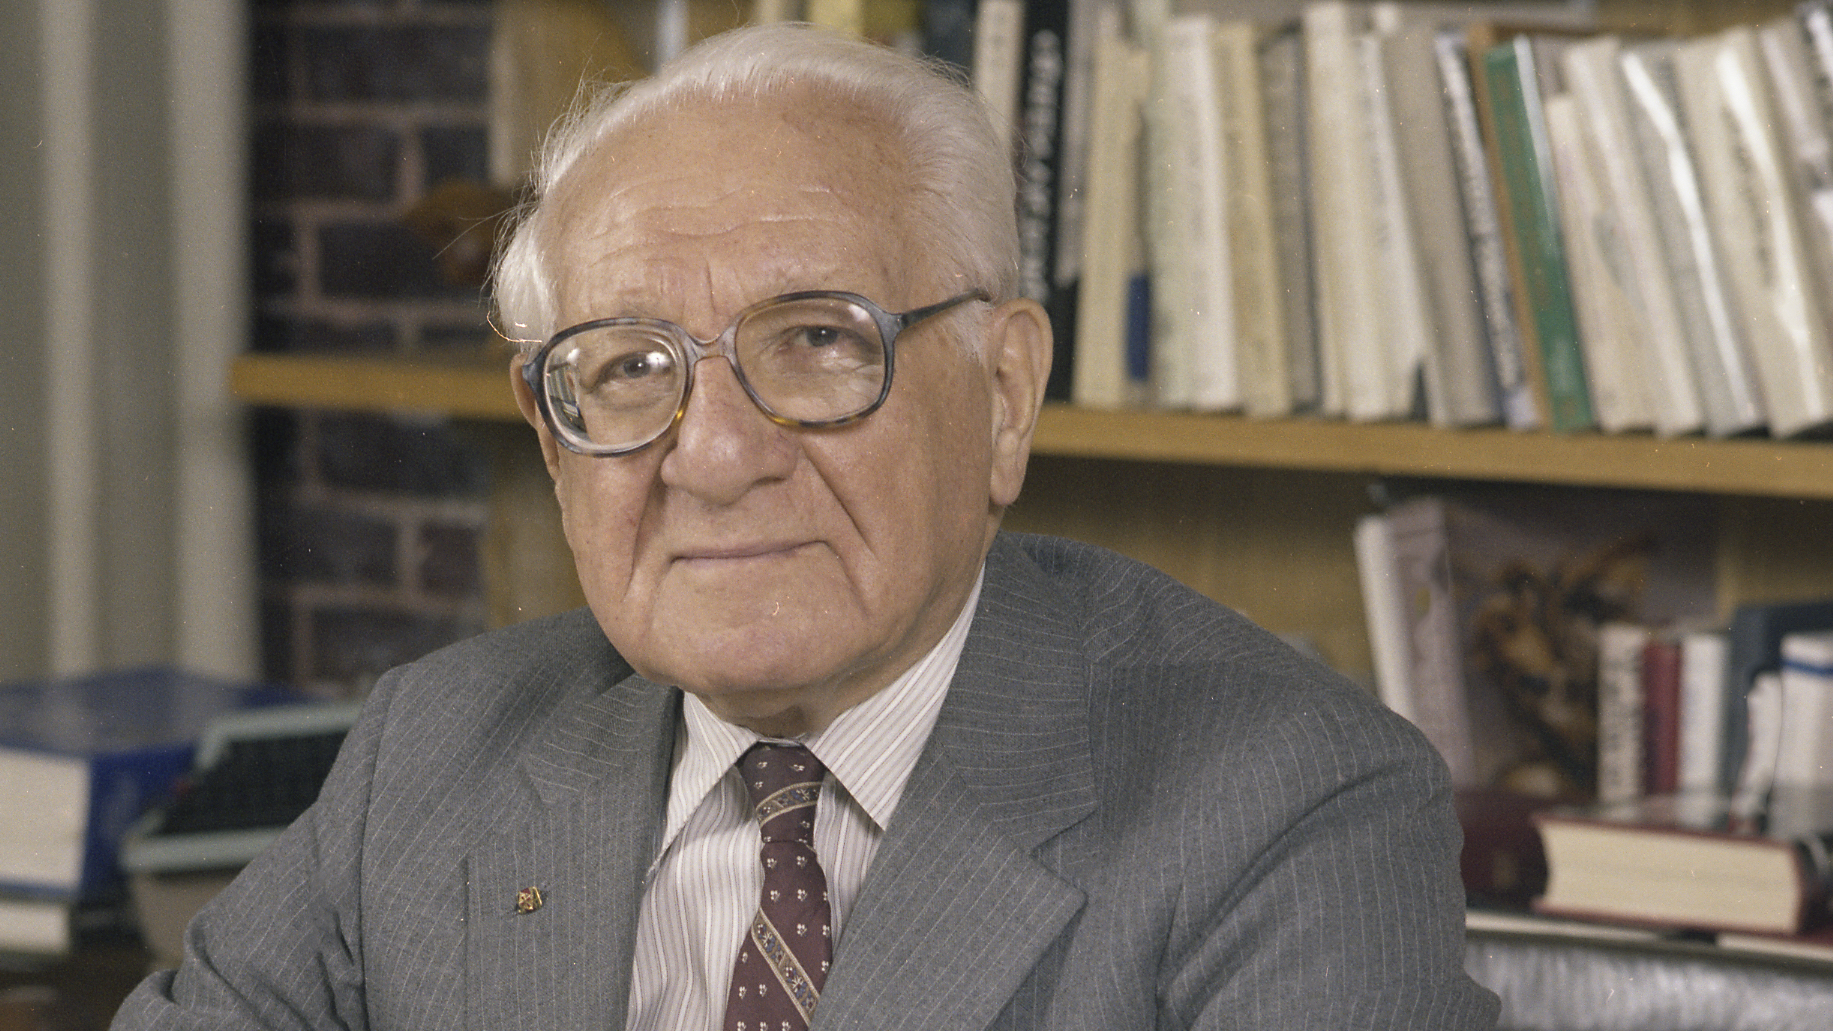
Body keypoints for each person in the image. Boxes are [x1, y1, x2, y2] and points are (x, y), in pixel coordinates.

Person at [115, 23, 1498, 1030]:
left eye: (818, 343)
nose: (713, 457)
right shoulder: (439, 747)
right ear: (551, 437)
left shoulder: (1283, 800)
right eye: (628, 368)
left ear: (1005, 394)